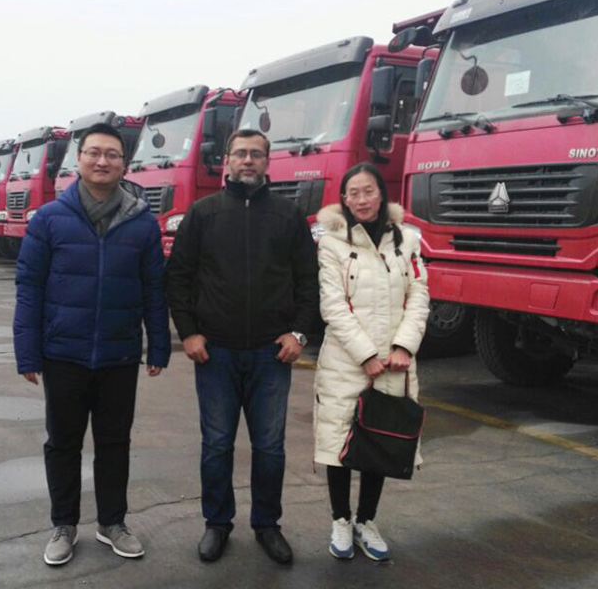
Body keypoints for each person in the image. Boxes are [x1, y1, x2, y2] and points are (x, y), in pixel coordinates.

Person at [13, 122, 170, 567]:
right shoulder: (48, 220)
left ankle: (112, 522)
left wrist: (157, 346)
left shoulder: (142, 224)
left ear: (124, 163)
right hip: (64, 353)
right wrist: (27, 351)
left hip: (119, 355)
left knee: (114, 441)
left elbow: (153, 288)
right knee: (62, 442)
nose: (102, 161)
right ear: (78, 160)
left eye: (112, 155)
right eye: (94, 153)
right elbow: (29, 286)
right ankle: (63, 524)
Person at [165, 128, 319, 564]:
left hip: (273, 353)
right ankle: (217, 524)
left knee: (270, 447)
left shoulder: (288, 216)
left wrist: (299, 334)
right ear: (226, 161)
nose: (248, 161)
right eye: (240, 154)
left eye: (256, 154)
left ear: (268, 162)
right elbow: (178, 276)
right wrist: (189, 332)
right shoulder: (204, 213)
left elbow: (309, 282)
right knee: (217, 444)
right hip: (215, 352)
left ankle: (267, 525)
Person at [312, 162, 429, 561]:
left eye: (368, 191)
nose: (361, 200)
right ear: (343, 199)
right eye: (353, 193)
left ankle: (367, 520)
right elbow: (333, 305)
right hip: (346, 361)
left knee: (381, 440)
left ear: (382, 194)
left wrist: (403, 347)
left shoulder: (407, 240)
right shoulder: (331, 243)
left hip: (395, 361)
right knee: (340, 443)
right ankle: (341, 520)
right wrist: (365, 355)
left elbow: (419, 297)